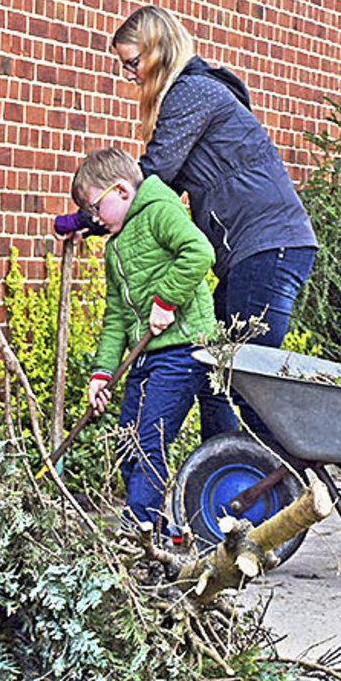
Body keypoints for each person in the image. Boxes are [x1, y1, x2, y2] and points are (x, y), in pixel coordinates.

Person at [106, 6, 317, 438]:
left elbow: (155, 172)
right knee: (214, 370)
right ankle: (220, 478)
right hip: (260, 249)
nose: (128, 75)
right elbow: (166, 187)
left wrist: (96, 209)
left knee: (245, 382)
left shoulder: (191, 93)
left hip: (266, 246)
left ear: (158, 51)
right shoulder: (197, 94)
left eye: (132, 62)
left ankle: (283, 483)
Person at [74, 147, 219, 531]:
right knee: (127, 442)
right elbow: (116, 317)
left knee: (147, 439)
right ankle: (154, 526)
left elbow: (199, 251)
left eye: (95, 208)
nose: (93, 220)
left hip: (185, 350)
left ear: (121, 191)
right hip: (145, 356)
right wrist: (101, 374)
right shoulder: (115, 248)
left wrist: (165, 301)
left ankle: (139, 527)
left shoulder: (159, 209)